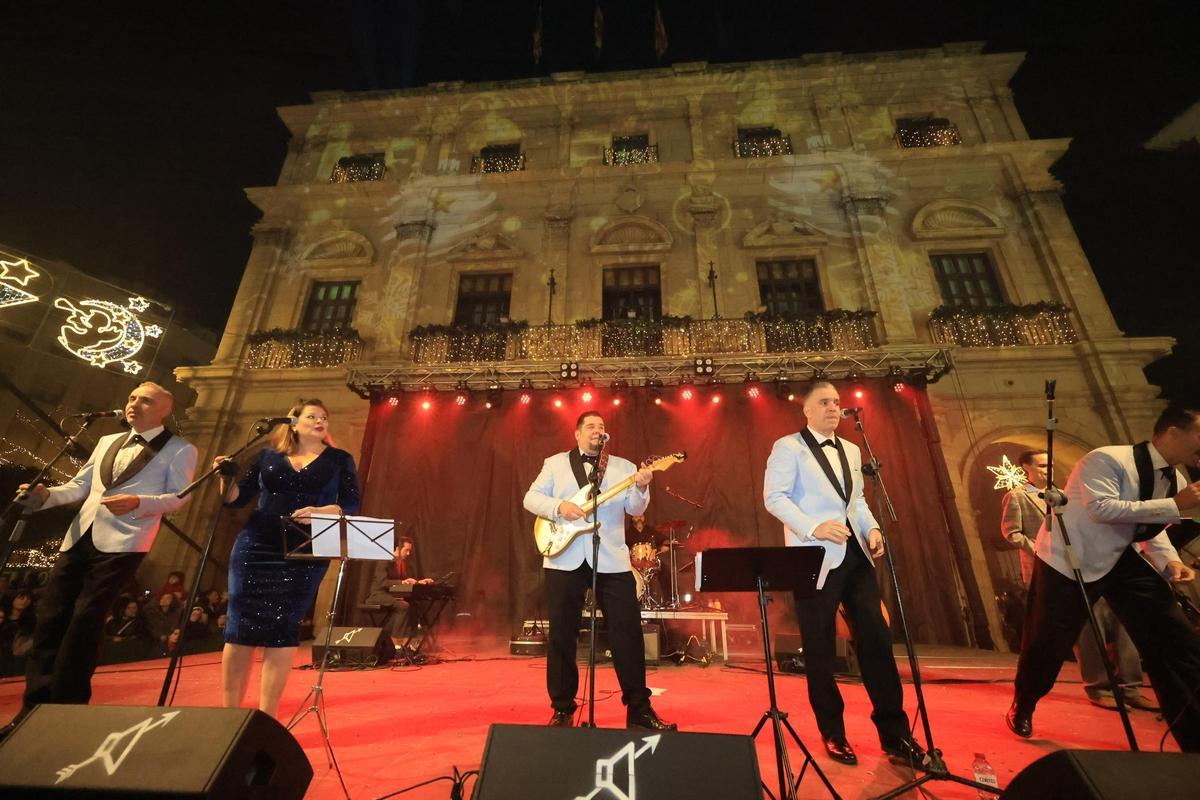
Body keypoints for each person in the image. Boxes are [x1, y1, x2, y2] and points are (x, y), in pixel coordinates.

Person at [2, 382, 196, 736]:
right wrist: (45, 495)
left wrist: (141, 502)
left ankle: (66, 709)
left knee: (84, 621)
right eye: (132, 397)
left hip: (125, 542)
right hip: (79, 536)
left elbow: (180, 497)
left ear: (165, 410)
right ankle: (32, 708)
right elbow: (80, 486)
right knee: (51, 617)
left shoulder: (180, 449)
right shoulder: (108, 441)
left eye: (145, 400)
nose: (134, 403)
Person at [1006, 405, 1200, 751]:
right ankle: (1024, 703)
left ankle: (1193, 731)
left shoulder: (1175, 479)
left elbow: (1149, 528)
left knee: (1175, 636)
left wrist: (1169, 562)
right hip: (1068, 559)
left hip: (1120, 558)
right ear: (1172, 433)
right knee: (1047, 643)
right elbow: (1102, 509)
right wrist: (1175, 503)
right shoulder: (1107, 459)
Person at [763, 380, 924, 767]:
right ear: (806, 410)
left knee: (877, 641)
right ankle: (833, 733)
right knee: (819, 649)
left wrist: (872, 528)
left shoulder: (851, 449)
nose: (834, 408)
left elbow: (858, 501)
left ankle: (895, 735)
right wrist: (812, 527)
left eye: (837, 402)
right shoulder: (789, 447)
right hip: (813, 559)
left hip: (855, 556)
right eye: (824, 402)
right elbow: (774, 498)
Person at [523, 410, 675, 731]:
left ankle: (638, 710)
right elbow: (531, 498)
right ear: (576, 434)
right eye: (590, 426)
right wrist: (559, 507)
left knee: (628, 634)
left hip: (611, 558)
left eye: (601, 426)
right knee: (562, 635)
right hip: (564, 557)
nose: (597, 430)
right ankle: (563, 709)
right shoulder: (555, 463)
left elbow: (634, 509)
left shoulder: (624, 467)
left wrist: (643, 487)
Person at [215, 399, 361, 718]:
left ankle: (267, 717)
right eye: (312, 416)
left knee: (283, 625)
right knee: (240, 626)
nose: (320, 421)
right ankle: (227, 717)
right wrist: (224, 477)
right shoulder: (268, 456)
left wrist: (323, 511)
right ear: (292, 421)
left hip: (307, 546)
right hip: (257, 543)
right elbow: (234, 501)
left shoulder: (339, 459)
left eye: (325, 417)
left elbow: (350, 504)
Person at [1000, 449, 1157, 711]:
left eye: (1049, 464)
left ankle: (1131, 687)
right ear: (1026, 468)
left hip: (1092, 564)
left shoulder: (1067, 495)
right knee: (1086, 628)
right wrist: (1043, 548)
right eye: (1040, 465)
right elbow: (1011, 533)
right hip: (1055, 568)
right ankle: (1099, 686)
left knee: (1120, 624)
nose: (1046, 470)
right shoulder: (1017, 496)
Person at [364, 537, 433, 643]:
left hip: (391, 595)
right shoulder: (385, 561)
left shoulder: (401, 563)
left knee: (414, 604)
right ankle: (395, 641)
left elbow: (403, 581)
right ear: (397, 548)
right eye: (406, 550)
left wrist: (418, 582)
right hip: (377, 595)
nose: (409, 553)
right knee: (403, 606)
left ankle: (410, 641)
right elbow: (382, 582)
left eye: (410, 550)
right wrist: (401, 582)